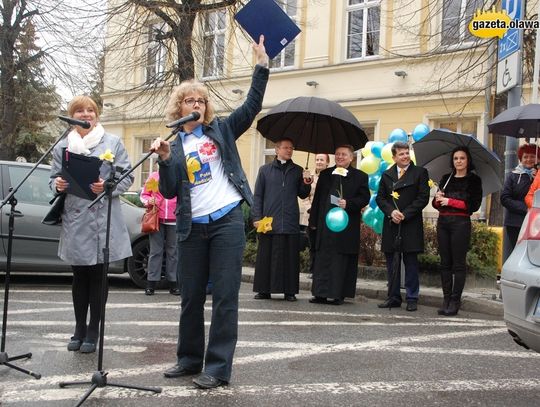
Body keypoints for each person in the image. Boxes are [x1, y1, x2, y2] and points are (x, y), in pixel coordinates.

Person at [150, 35, 269, 390]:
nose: (197, 104)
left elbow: (250, 106)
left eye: (201, 100)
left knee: (226, 297)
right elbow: (170, 190)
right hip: (192, 227)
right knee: (190, 297)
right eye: (190, 99)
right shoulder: (173, 145)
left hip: (226, 221)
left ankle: (217, 367)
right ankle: (188, 359)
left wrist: (260, 66)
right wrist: (166, 159)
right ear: (179, 107)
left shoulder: (221, 130)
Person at [50, 95, 133, 353]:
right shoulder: (62, 146)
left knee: (98, 275)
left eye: (90, 110)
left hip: (101, 216)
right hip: (76, 217)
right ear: (72, 116)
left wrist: (107, 187)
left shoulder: (112, 142)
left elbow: (127, 177)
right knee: (79, 275)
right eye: (80, 111)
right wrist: (57, 184)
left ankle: (93, 330)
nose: (86, 114)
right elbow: (52, 177)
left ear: (96, 115)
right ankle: (78, 327)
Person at [251, 138, 312, 301]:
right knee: (266, 257)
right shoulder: (264, 170)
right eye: (286, 148)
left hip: (290, 220)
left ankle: (289, 291)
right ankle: (264, 290)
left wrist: (307, 182)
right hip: (269, 221)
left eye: (291, 148)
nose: (289, 151)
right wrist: (256, 217)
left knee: (290, 258)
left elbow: (303, 194)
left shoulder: (298, 170)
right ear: (277, 150)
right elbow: (258, 196)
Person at [308, 145, 370, 305]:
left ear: (351, 157)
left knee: (340, 260)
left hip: (345, 227)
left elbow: (364, 198)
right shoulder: (326, 174)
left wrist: (348, 203)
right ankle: (320, 293)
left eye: (344, 155)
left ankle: (338, 294)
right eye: (337, 154)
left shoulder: (360, 176)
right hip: (325, 226)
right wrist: (313, 221)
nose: (340, 157)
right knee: (323, 259)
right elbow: (317, 200)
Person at [376, 141, 430, 312]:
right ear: (394, 157)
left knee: (411, 262)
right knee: (392, 261)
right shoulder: (387, 175)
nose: (405, 156)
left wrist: (405, 214)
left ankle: (412, 297)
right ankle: (393, 296)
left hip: (410, 223)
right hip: (392, 223)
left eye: (407, 153)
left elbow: (423, 198)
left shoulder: (420, 173)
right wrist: (392, 212)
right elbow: (380, 198)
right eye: (401, 154)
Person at [432, 146, 482, 316]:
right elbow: (436, 205)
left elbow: (473, 206)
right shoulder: (446, 178)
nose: (458, 161)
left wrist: (450, 201)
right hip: (443, 223)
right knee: (445, 263)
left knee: (458, 264)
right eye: (456, 158)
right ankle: (446, 299)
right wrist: (438, 200)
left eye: (462, 158)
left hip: (460, 224)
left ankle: (455, 301)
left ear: (468, 161)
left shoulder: (474, 180)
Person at [140, 169, 180, 296]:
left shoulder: (178, 175)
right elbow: (144, 194)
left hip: (174, 218)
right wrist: (148, 201)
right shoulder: (154, 177)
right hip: (156, 218)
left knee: (173, 252)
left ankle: (173, 284)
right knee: (155, 251)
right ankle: (151, 284)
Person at [501, 144, 538, 252]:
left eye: (532, 156)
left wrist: (536, 179)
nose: (528, 159)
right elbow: (505, 198)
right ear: (521, 159)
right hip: (515, 222)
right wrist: (526, 208)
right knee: (518, 252)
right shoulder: (513, 176)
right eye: (525, 157)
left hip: (536, 223)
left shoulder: (538, 176)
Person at [299, 154, 330, 275]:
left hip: (325, 215)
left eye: (322, 160)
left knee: (324, 244)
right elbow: (304, 195)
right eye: (317, 159)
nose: (319, 162)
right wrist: (309, 208)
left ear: (327, 163)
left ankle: (323, 269)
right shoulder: (308, 176)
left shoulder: (331, 176)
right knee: (312, 243)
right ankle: (313, 270)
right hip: (310, 214)